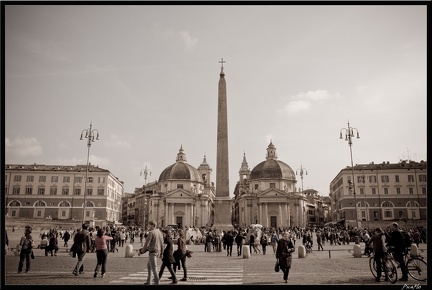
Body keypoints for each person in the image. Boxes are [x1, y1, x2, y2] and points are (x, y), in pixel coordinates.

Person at [139, 220, 164, 285]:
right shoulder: (159, 232)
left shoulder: (151, 233)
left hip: (153, 252)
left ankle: (157, 282)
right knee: (149, 266)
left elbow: (147, 244)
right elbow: (162, 243)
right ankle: (148, 281)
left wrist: (142, 251)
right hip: (158, 251)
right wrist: (161, 253)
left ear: (153, 225)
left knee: (154, 267)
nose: (148, 226)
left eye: (149, 225)